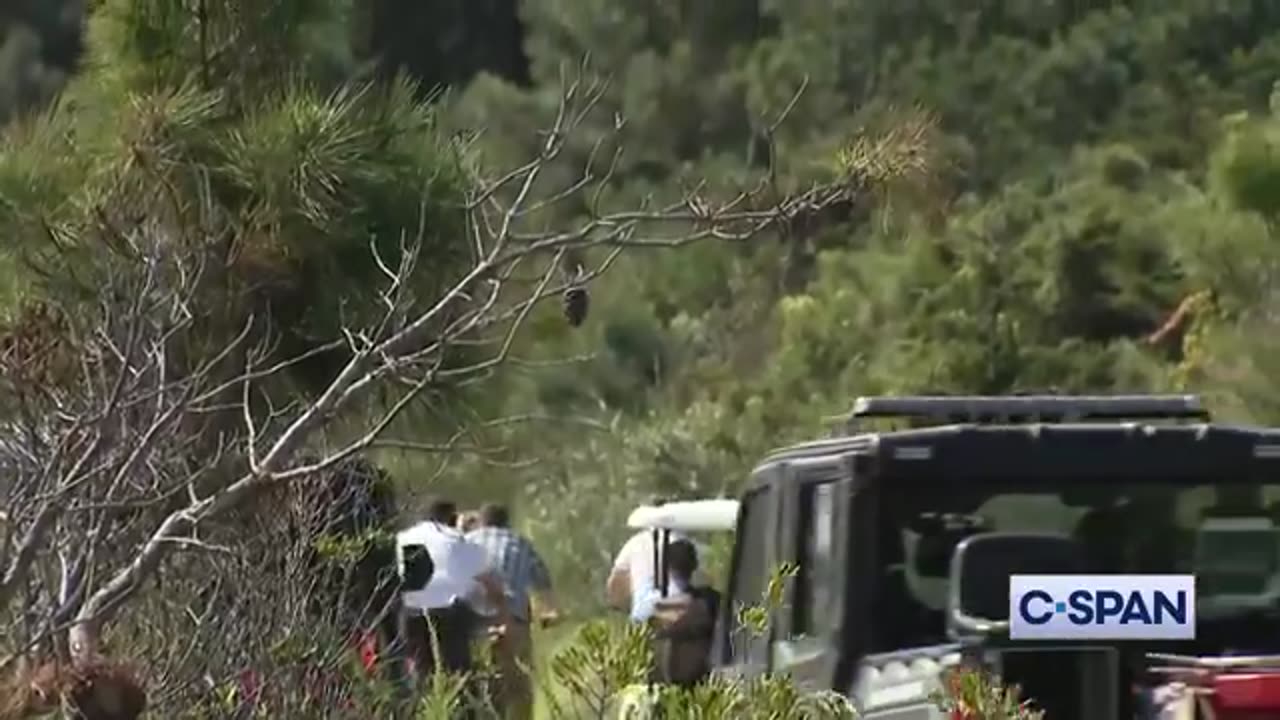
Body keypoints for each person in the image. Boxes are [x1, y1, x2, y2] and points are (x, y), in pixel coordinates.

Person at [397, 497, 510, 686]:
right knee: (458, 672)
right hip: (449, 616)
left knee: (421, 671)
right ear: (450, 518)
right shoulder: (454, 539)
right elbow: (488, 581)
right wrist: (504, 617)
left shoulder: (404, 537)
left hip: (411, 616)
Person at [466, 503, 560, 720]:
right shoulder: (518, 542)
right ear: (506, 522)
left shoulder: (466, 542)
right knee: (519, 690)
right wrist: (550, 611)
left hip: (473, 625)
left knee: (481, 688)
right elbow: (542, 580)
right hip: (513, 622)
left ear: (481, 521)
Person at [630, 539, 720, 687]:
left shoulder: (652, 605)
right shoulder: (710, 602)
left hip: (670, 679)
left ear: (665, 566)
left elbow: (638, 621)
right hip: (700, 679)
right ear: (694, 566)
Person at [605, 496, 697, 611]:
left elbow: (616, 580)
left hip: (643, 609)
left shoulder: (634, 543)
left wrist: (619, 606)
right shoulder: (683, 541)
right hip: (677, 605)